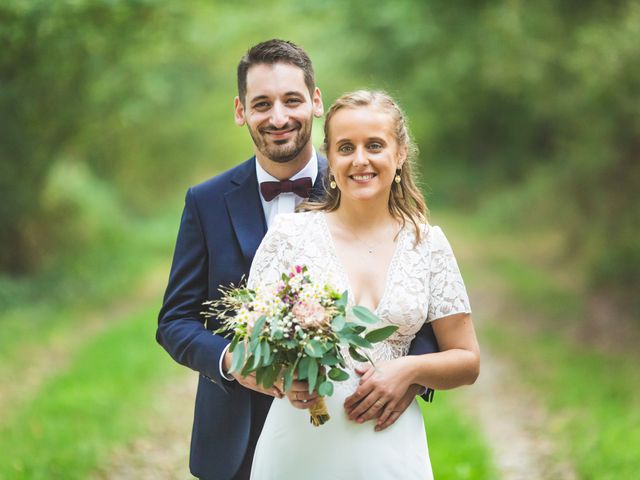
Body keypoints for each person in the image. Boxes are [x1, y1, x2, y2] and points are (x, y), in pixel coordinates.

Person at [156, 40, 440, 480]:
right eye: (262, 104)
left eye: (291, 100)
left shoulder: (364, 181)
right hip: (236, 436)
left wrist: (409, 376)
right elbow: (175, 320)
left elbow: (420, 298)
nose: (279, 117)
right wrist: (235, 362)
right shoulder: (206, 201)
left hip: (352, 428)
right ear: (240, 110)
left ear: (316, 101)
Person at [247, 90, 480, 479]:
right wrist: (285, 379)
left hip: (390, 447)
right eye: (345, 147)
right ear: (330, 157)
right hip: (301, 444)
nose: (360, 160)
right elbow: (248, 347)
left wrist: (408, 370)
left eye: (374, 145)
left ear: (400, 152)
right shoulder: (290, 235)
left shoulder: (427, 244)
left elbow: (468, 361)